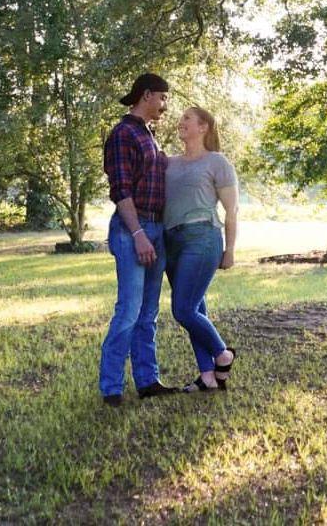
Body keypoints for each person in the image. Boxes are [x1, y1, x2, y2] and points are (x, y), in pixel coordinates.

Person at [98, 72, 180, 405]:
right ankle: (111, 387)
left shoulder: (148, 134)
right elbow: (121, 191)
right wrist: (138, 234)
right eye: (162, 98)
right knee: (129, 310)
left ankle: (147, 380)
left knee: (148, 313)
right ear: (146, 95)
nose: (165, 105)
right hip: (133, 229)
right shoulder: (123, 134)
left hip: (156, 229)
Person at [164, 106, 239, 392]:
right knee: (195, 308)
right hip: (171, 241)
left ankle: (223, 354)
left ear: (203, 126)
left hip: (203, 237)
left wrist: (230, 249)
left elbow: (232, 210)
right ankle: (208, 376)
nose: (180, 121)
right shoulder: (169, 163)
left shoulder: (217, 161)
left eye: (187, 118)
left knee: (183, 309)